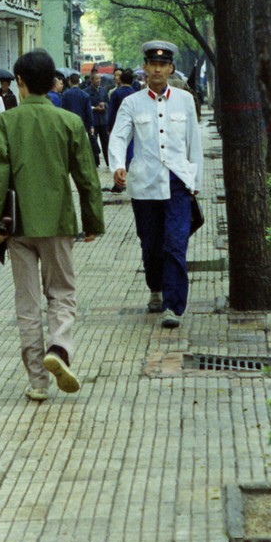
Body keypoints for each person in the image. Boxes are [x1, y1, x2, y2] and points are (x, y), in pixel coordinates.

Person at [0, 49, 105, 401]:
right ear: (53, 83)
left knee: (27, 302)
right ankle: (60, 349)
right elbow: (87, 177)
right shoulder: (69, 123)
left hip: (17, 227)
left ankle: (37, 380)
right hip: (59, 222)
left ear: (19, 82)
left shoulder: (5, 123)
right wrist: (92, 220)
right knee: (62, 293)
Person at [109, 41, 203, 328]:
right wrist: (118, 166)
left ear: (171, 68)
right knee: (150, 245)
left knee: (175, 244)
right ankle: (156, 288)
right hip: (145, 184)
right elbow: (118, 137)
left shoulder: (185, 100)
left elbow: (194, 142)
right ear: (145, 68)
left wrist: (196, 180)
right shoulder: (132, 103)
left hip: (177, 183)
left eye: (164, 64)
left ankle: (174, 306)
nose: (158, 69)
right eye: (153, 64)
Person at [107, 68, 136, 192]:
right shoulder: (135, 93)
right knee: (131, 151)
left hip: (118, 127)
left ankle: (120, 179)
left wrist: (109, 127)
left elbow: (112, 111)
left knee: (119, 151)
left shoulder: (116, 93)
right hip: (134, 128)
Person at [85, 70, 110, 167]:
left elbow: (108, 102)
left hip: (103, 121)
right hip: (93, 121)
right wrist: (94, 108)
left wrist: (105, 105)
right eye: (96, 79)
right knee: (93, 143)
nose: (98, 81)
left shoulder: (103, 90)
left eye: (99, 79)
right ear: (92, 80)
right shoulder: (86, 92)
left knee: (106, 142)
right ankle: (95, 163)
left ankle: (108, 162)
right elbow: (87, 106)